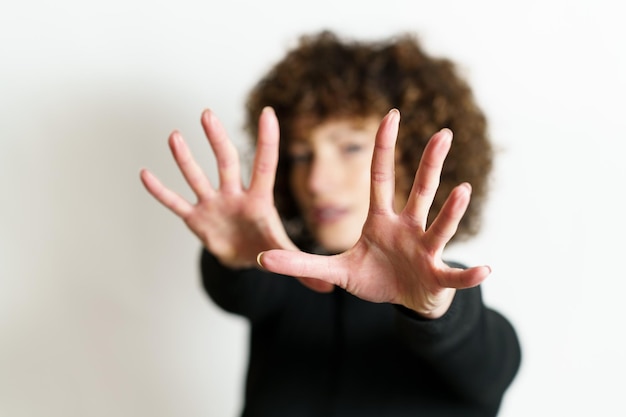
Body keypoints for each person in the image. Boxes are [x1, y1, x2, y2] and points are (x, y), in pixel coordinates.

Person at [140, 30, 521, 417]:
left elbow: (488, 362)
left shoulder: (466, 333)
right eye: (302, 156)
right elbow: (243, 292)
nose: (316, 182)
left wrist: (434, 310)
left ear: (416, 156)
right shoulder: (289, 290)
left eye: (351, 147)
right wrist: (238, 257)